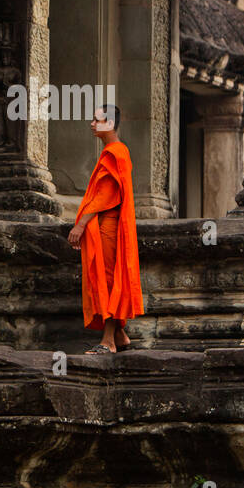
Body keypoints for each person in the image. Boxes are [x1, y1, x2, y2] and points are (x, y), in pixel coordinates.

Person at [66, 104, 145, 353]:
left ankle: (108, 340)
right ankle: (120, 335)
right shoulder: (113, 152)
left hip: (107, 226)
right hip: (105, 225)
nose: (92, 124)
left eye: (96, 120)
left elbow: (106, 195)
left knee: (109, 279)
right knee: (107, 276)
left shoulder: (116, 153)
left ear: (109, 124)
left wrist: (80, 224)